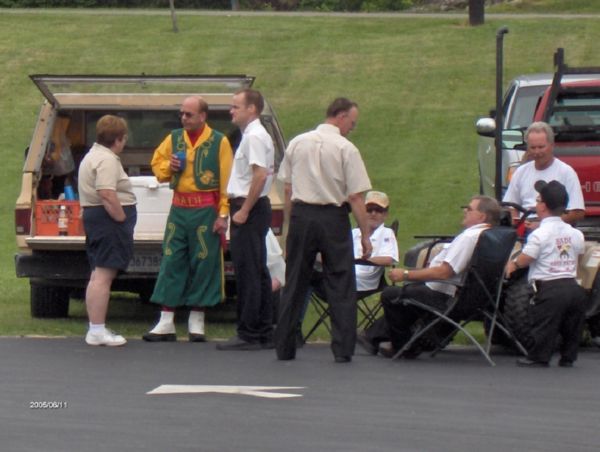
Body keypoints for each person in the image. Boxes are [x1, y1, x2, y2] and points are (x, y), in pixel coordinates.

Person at [275, 97, 373, 363]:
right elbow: (355, 197)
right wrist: (365, 235)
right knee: (340, 281)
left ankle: (284, 345)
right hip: (333, 216)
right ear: (340, 117)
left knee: (295, 279)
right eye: (351, 123)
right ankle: (342, 349)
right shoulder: (345, 148)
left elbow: (287, 187)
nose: (351, 128)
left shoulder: (298, 142)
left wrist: (288, 225)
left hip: (302, 215)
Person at [358, 195, 501, 358]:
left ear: (481, 216)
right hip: (473, 297)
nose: (464, 212)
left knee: (391, 294)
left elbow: (444, 272)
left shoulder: (469, 237)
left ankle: (403, 346)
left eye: (469, 209)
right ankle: (372, 337)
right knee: (409, 293)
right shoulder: (492, 236)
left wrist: (406, 274)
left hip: (447, 296)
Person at [143, 96, 233, 343]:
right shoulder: (174, 138)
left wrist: (223, 214)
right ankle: (166, 320)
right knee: (172, 259)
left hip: (206, 210)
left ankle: (197, 318)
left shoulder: (219, 141)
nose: (183, 118)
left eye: (189, 114)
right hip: (179, 207)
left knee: (204, 261)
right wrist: (169, 168)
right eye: (181, 114)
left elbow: (227, 181)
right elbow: (156, 163)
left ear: (202, 116)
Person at [216, 89, 275, 351]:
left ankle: (249, 331)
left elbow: (259, 175)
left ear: (252, 109)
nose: (231, 111)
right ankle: (263, 327)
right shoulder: (253, 136)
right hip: (253, 207)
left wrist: (244, 210)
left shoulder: (254, 137)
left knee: (248, 270)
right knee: (257, 269)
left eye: (236, 106)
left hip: (249, 207)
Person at [506, 180, 586, 368]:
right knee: (572, 326)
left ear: (543, 207)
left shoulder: (539, 234)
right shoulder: (575, 233)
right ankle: (568, 357)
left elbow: (528, 257)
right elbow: (579, 255)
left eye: (538, 200)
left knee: (545, 324)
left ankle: (538, 356)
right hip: (572, 286)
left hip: (550, 286)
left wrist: (514, 264)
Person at [78, 115, 137, 346]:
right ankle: (97, 329)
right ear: (119, 139)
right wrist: (121, 218)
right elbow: (106, 192)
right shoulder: (107, 160)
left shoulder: (92, 156)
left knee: (98, 274)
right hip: (107, 220)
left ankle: (96, 326)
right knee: (103, 275)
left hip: (96, 217)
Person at [503, 121, 585, 228]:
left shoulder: (566, 172)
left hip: (555, 230)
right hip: (525, 227)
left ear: (552, 145)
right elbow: (510, 205)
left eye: (541, 147)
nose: (537, 152)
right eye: (533, 148)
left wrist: (545, 225)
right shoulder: (521, 172)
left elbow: (577, 212)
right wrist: (518, 224)